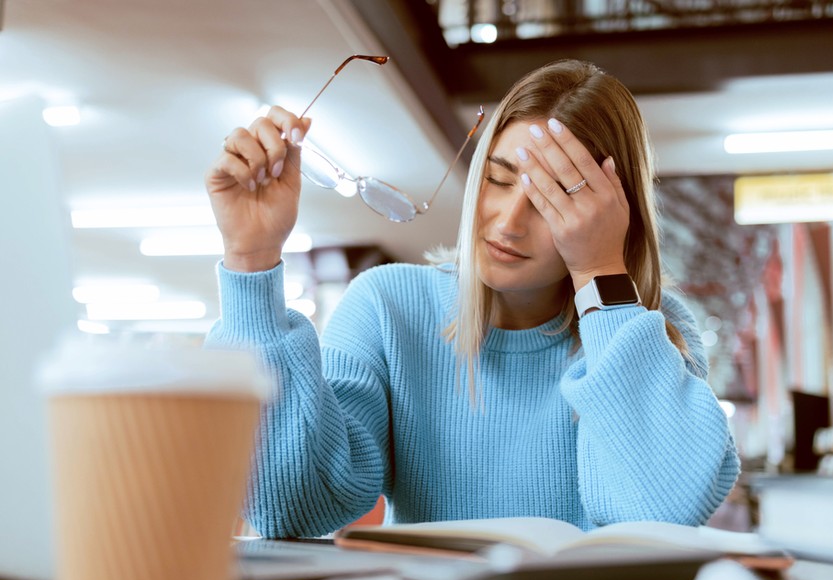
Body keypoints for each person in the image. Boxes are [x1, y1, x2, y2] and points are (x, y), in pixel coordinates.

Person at [205, 58, 739, 538]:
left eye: (554, 200)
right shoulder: (388, 306)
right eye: (499, 180)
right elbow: (289, 509)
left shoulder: (650, 328)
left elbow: (657, 515)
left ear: (611, 215)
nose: (508, 223)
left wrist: (601, 273)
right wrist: (251, 260)